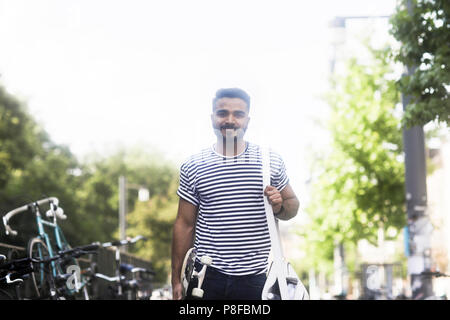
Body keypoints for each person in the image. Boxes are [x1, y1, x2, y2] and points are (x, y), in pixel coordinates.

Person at [171, 88, 300, 300]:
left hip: (257, 279)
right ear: (212, 117)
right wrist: (176, 279)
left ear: (247, 120)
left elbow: (292, 208)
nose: (230, 120)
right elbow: (184, 224)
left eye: (238, 114)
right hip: (205, 279)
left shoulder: (269, 161)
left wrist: (279, 206)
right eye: (222, 113)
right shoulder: (193, 165)